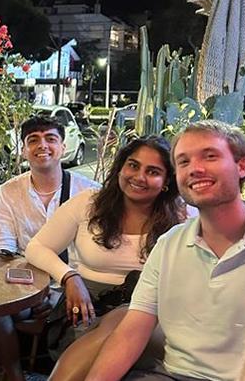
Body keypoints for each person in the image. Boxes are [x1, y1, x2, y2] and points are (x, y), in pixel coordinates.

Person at [86, 120, 245, 381]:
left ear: (242, 165)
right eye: (183, 162)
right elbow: (132, 331)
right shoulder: (170, 243)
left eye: (210, 156)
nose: (195, 169)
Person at [26, 136, 192, 380]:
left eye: (153, 171)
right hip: (86, 311)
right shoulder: (88, 203)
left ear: (167, 181)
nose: (139, 177)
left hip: (154, 318)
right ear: (121, 167)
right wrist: (69, 276)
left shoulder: (183, 216)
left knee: (128, 317)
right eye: (133, 165)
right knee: (121, 324)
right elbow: (36, 247)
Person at [0, 116, 100, 381]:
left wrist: (57, 294)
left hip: (76, 287)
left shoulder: (90, 193)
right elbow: (3, 252)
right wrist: (35, 292)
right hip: (26, 286)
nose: (42, 146)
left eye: (50, 138)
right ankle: (14, 375)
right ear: (24, 149)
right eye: (33, 140)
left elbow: (96, 253)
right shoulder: (9, 192)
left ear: (62, 146)